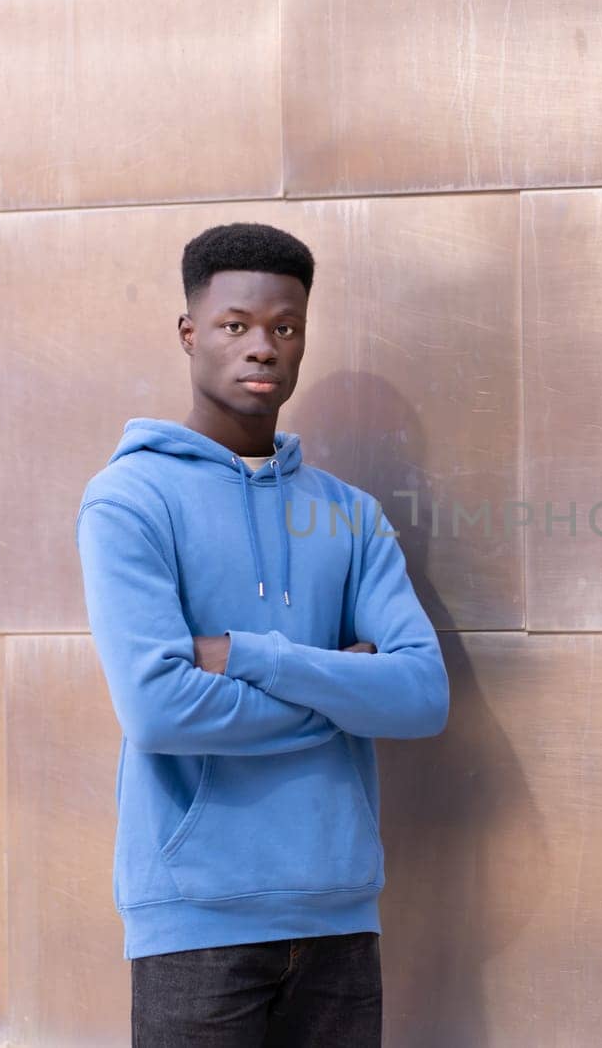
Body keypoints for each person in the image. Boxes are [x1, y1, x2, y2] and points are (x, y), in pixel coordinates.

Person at [75, 222, 450, 1045]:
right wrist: (344, 694)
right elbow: (159, 710)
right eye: (235, 325)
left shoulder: (348, 514)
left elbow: (422, 694)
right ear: (189, 334)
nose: (262, 348)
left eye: (285, 328)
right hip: (195, 921)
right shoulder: (129, 500)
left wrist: (254, 657)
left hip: (340, 916)